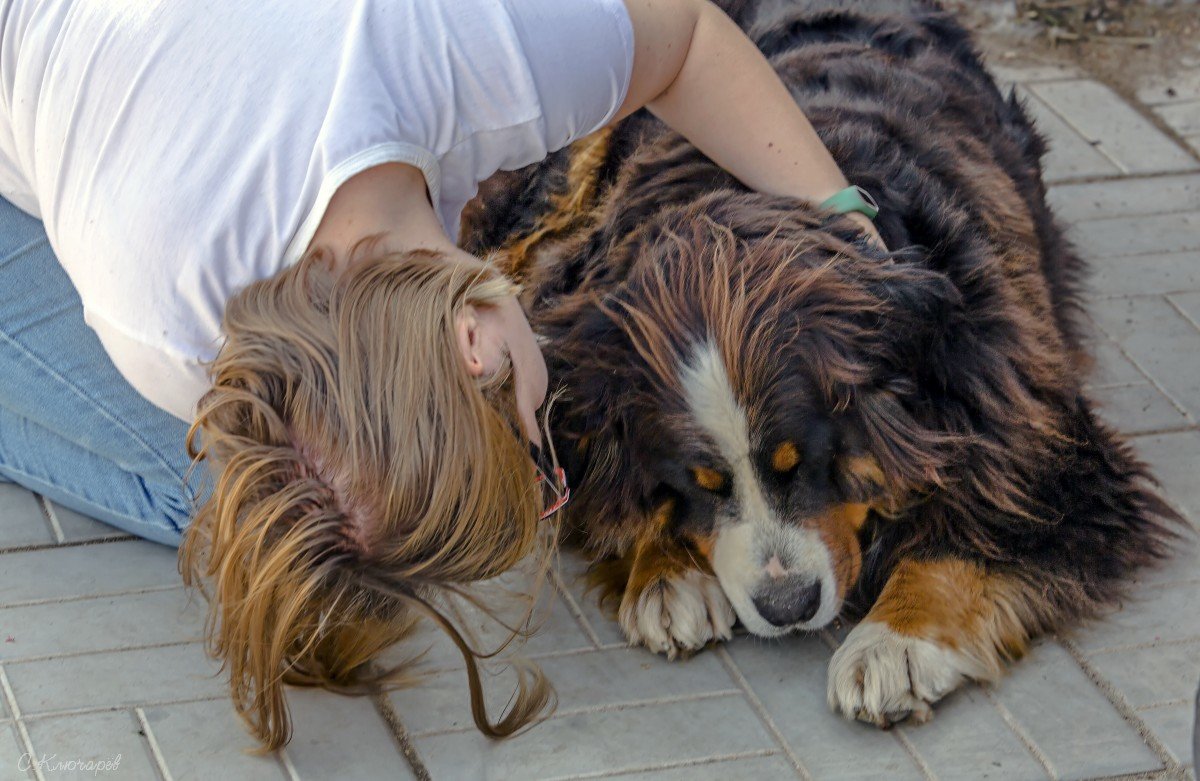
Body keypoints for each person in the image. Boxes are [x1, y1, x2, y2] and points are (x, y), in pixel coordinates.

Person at [0, 0, 885, 750]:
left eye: (532, 452)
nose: (549, 456)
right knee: (229, 513)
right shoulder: (166, 329)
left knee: (223, 515)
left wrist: (847, 224)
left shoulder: (466, 46)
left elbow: (687, 33)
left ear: (474, 346)